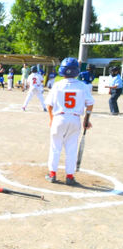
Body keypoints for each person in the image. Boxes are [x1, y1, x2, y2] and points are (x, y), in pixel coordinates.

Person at [44, 57, 94, 185]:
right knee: (71, 149)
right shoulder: (82, 86)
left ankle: (52, 174)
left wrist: (51, 119)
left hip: (59, 118)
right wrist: (86, 120)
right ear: (76, 71)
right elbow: (90, 104)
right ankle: (69, 176)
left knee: (55, 147)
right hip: (75, 119)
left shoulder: (57, 85)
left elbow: (49, 105)